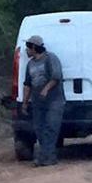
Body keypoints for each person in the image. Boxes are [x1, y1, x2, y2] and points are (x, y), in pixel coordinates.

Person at [21, 35, 65, 166]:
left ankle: (46, 158)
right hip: (37, 102)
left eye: (28, 47)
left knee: (50, 128)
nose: (26, 51)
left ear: (34, 47)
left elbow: (56, 76)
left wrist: (46, 89)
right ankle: (46, 157)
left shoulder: (51, 58)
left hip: (54, 101)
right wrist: (24, 103)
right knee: (39, 129)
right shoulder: (30, 64)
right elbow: (27, 84)